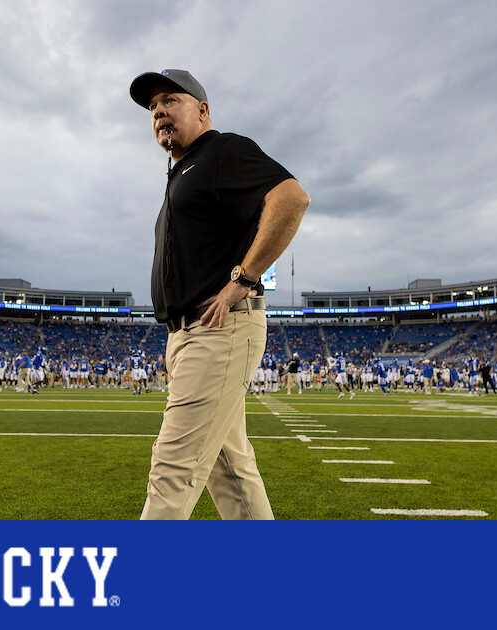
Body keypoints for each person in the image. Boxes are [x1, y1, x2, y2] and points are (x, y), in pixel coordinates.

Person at [130, 68, 309, 520]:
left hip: (219, 327)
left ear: (202, 109)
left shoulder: (222, 150)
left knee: (172, 470)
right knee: (230, 472)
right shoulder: (183, 170)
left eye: (170, 100)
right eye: (152, 109)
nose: (159, 114)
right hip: (191, 334)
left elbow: (291, 198)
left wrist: (244, 278)